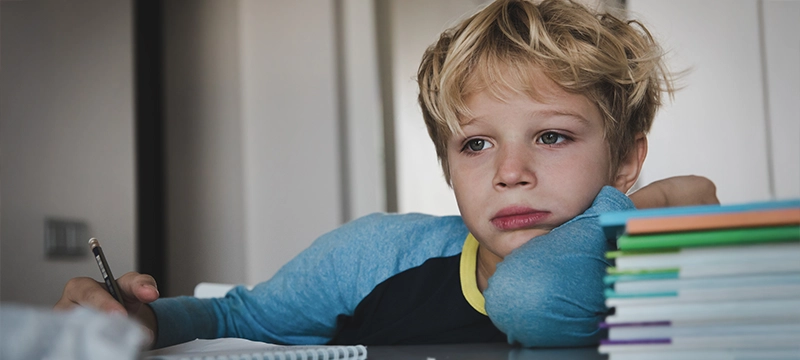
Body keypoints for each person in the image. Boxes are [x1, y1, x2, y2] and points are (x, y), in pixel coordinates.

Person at [55, 0, 718, 349]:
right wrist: (142, 322)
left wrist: (636, 208)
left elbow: (539, 297)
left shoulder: (655, 270)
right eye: (476, 144)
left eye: (551, 136)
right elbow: (236, 317)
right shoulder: (376, 256)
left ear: (626, 158)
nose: (510, 172)